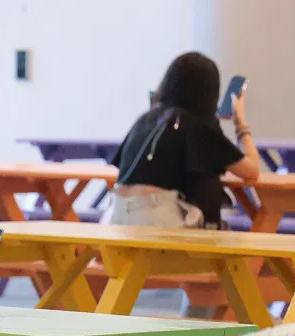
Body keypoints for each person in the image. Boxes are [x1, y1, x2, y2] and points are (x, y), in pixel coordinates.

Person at [107, 51, 262, 229]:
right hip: (155, 219)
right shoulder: (197, 126)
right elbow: (252, 171)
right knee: (217, 230)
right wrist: (240, 123)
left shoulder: (145, 119)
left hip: (115, 218)